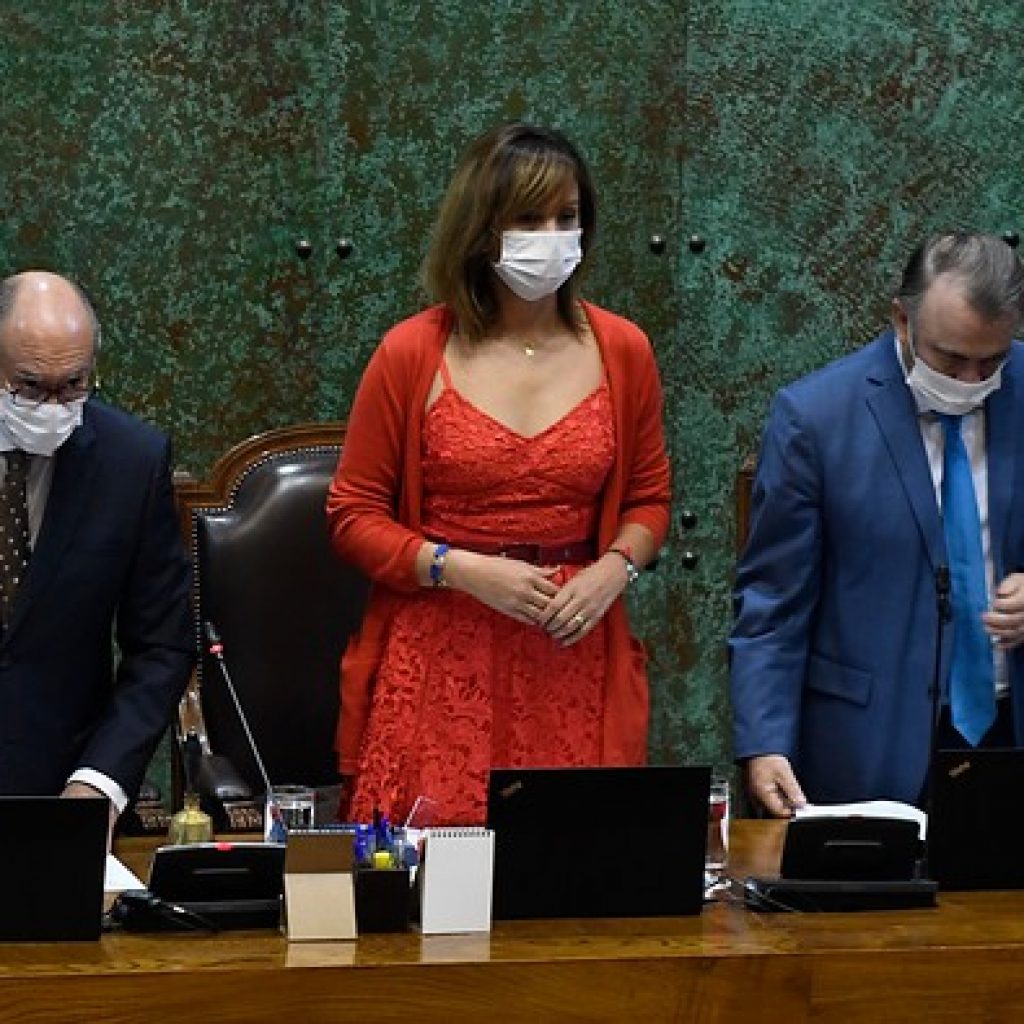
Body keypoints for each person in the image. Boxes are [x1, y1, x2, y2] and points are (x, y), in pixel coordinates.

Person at [327, 123, 671, 825]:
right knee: (437, 871)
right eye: (529, 219)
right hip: (441, 646)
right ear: (482, 229)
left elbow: (649, 499)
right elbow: (352, 514)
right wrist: (457, 567)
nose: (552, 237)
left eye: (567, 218)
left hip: (573, 642)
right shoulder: (411, 352)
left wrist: (614, 570)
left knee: (572, 862)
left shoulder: (624, 349)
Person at [730, 233, 1024, 817]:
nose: (972, 379)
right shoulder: (815, 419)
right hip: (867, 744)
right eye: (951, 359)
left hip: (1008, 729)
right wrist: (764, 743)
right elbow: (774, 602)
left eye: (991, 360)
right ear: (902, 320)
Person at [0, 271, 194, 837]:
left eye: (74, 384)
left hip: (60, 794)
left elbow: (161, 646)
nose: (53, 405)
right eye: (30, 386)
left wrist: (98, 785)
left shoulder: (130, 462)